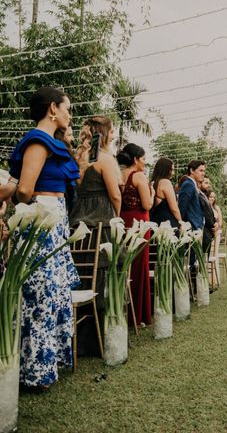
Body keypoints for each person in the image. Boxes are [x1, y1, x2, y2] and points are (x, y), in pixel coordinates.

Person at [8, 87, 80, 389]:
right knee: (42, 294)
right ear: (53, 108)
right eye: (67, 108)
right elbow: (24, 190)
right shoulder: (38, 141)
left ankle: (46, 365)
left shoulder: (53, 142)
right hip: (41, 219)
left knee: (53, 292)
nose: (69, 114)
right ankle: (33, 372)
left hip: (54, 217)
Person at [69, 116, 121, 356]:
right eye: (112, 131)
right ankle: (95, 341)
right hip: (101, 224)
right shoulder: (106, 159)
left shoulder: (79, 158)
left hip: (77, 225)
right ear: (106, 133)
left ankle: (76, 339)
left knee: (81, 276)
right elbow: (115, 195)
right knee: (100, 278)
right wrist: (116, 219)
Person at [117, 143, 153, 328]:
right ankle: (138, 316)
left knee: (126, 266)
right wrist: (153, 194)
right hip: (139, 223)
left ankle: (124, 311)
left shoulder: (119, 174)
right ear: (135, 159)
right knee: (139, 268)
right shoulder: (139, 176)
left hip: (123, 221)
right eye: (144, 159)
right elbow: (147, 205)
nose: (145, 163)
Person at [150, 158, 182, 229]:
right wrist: (181, 222)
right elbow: (174, 208)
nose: (173, 173)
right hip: (167, 224)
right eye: (172, 170)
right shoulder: (165, 182)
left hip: (156, 221)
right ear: (166, 169)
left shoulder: (154, 183)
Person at [178, 160, 205, 232]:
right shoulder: (188, 184)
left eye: (204, 171)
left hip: (196, 228)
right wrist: (181, 225)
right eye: (201, 170)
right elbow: (182, 207)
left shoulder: (192, 184)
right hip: (191, 229)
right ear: (192, 170)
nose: (203, 174)